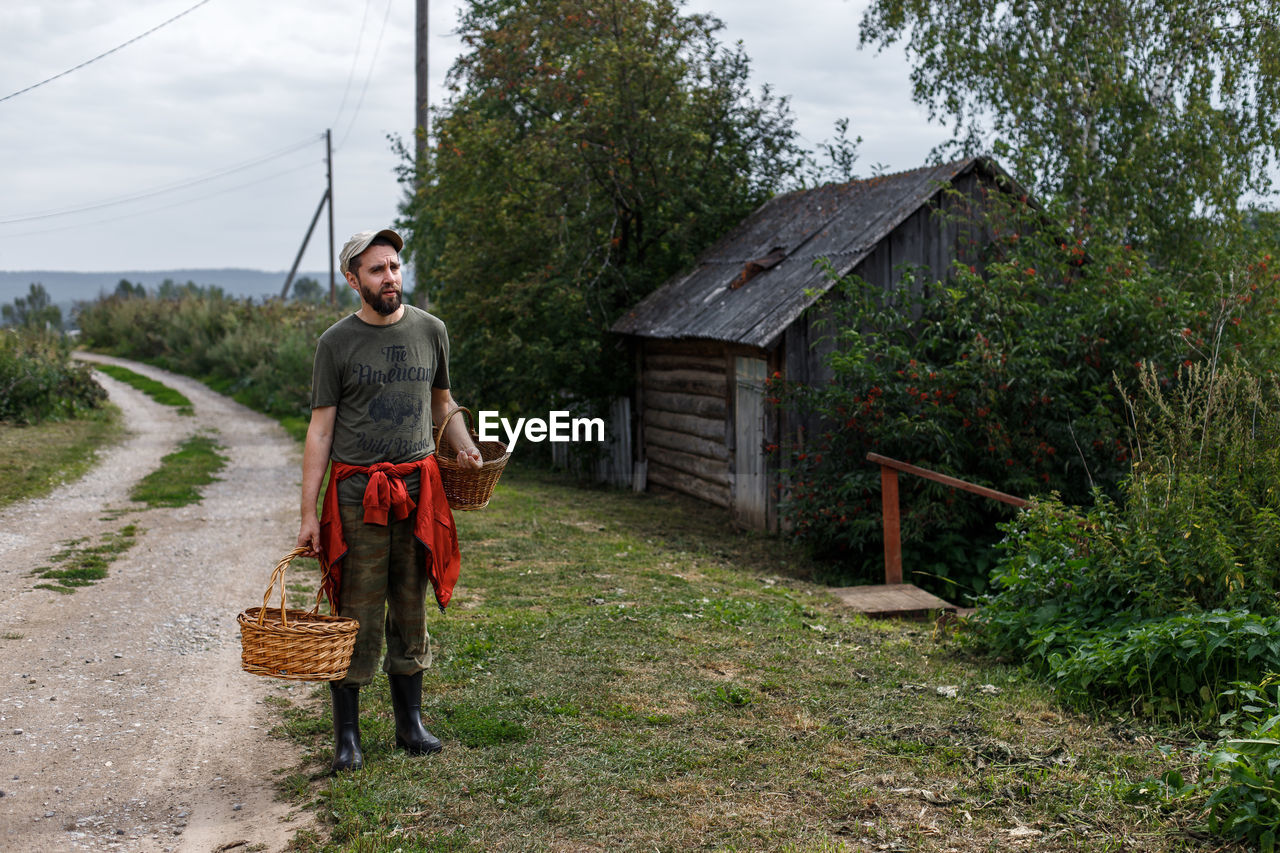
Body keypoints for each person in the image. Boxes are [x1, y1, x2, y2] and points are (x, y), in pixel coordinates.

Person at [296, 227, 482, 772]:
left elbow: (442, 405)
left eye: (395, 266)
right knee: (355, 610)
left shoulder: (431, 331)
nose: (390, 278)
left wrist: (465, 449)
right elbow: (320, 432)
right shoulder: (336, 343)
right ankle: (348, 738)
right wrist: (308, 512)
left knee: (409, 601)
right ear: (353, 279)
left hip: (420, 489)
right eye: (377, 270)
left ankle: (410, 723)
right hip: (358, 495)